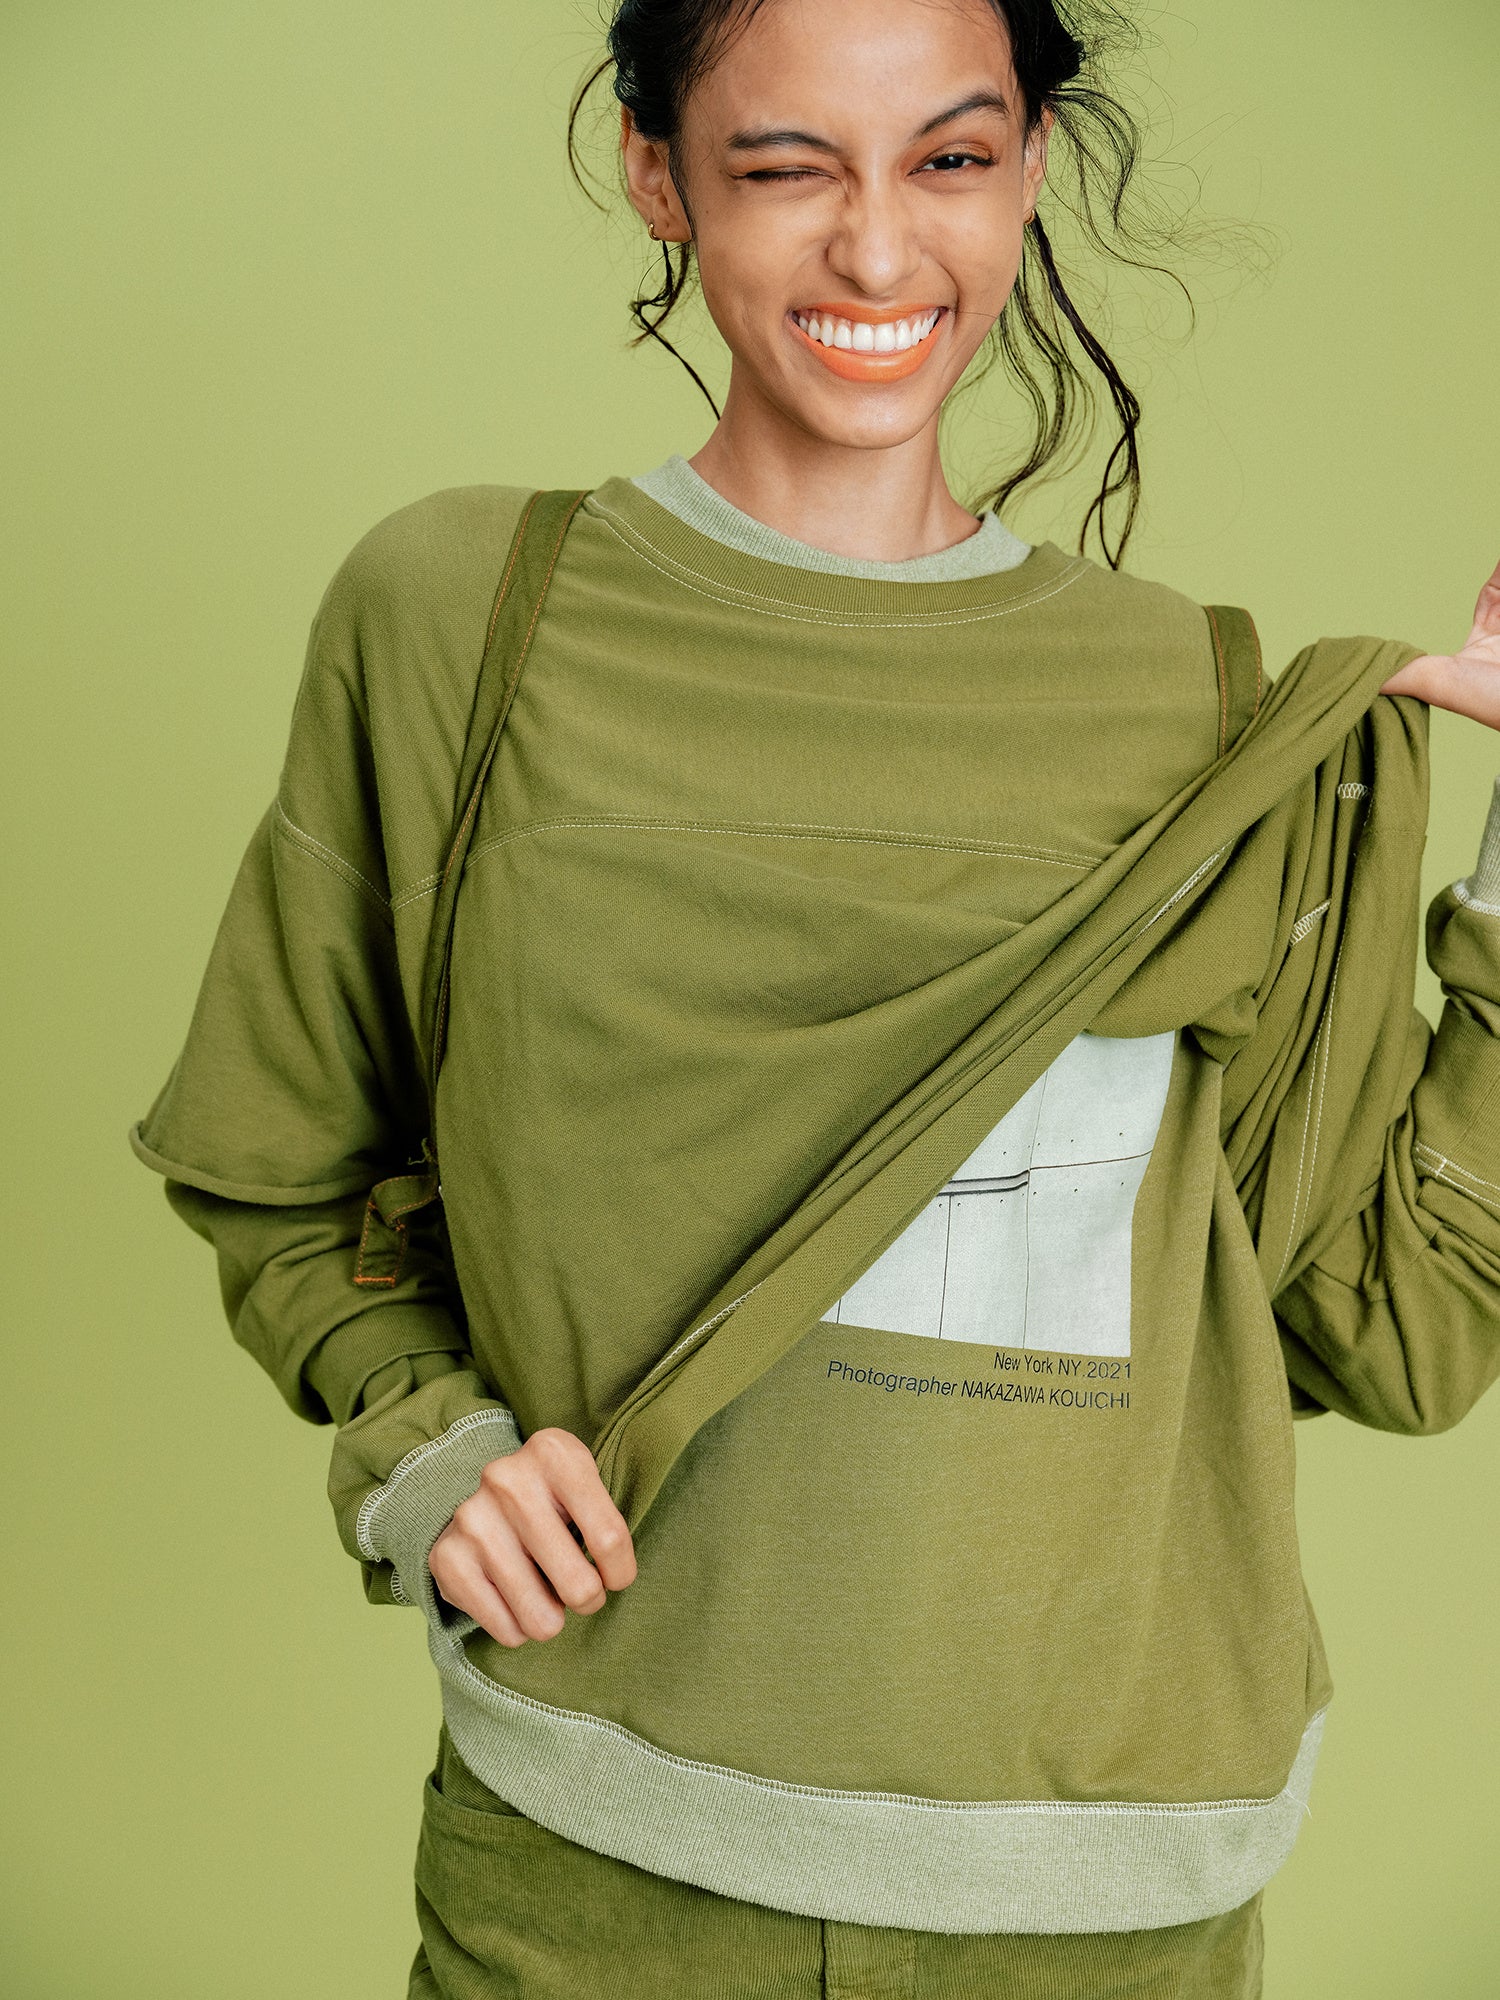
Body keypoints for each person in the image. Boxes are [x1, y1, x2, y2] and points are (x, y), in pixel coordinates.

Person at [130, 0, 1500, 1993]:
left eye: (950, 159)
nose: (876, 246)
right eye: (786, 167)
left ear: (1032, 170)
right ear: (657, 171)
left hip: (1109, 1913)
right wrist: (428, 1448)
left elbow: (1400, 1323)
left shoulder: (1210, 715)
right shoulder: (467, 620)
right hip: (588, 1871)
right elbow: (279, 1173)